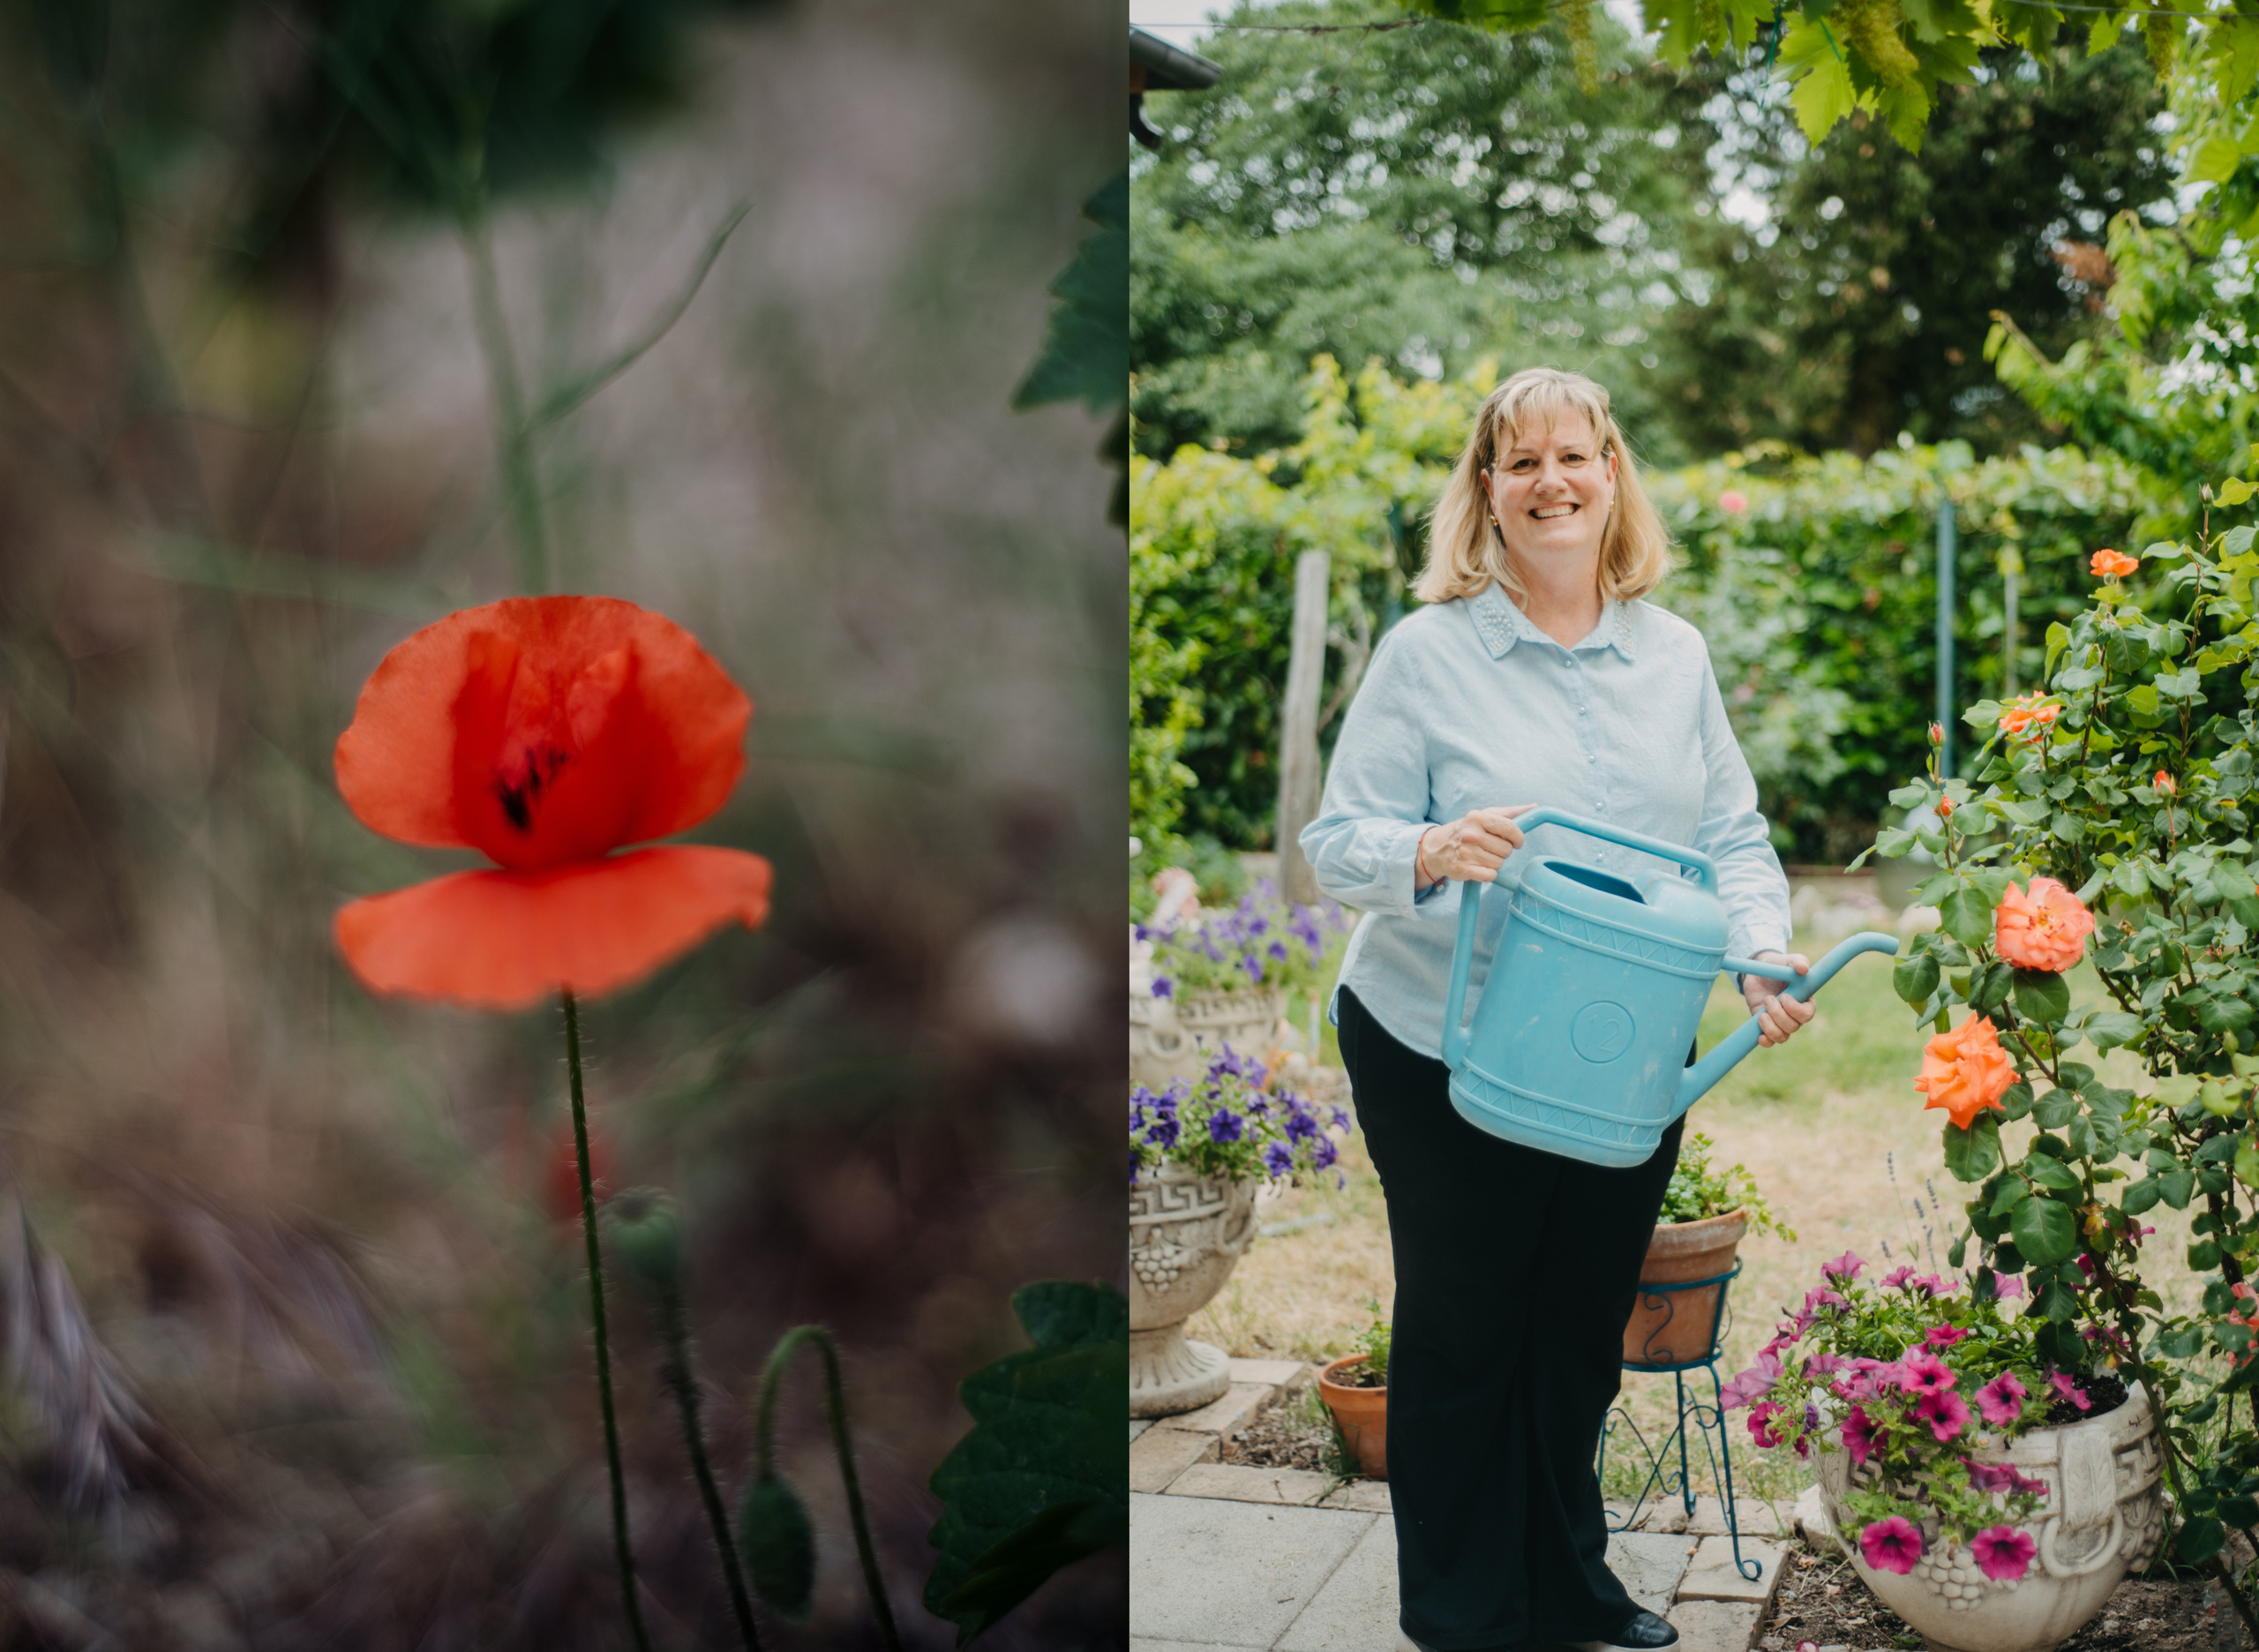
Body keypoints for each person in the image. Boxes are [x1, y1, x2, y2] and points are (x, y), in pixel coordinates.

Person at [1299, 367, 1812, 1652]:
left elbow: (1732, 835)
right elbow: (1337, 841)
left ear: (1611, 472)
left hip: (1617, 1048)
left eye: (1573, 456)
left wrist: (1760, 953)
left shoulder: (1674, 655)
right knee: (1468, 1325)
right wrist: (1428, 849)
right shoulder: (1428, 655)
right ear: (1486, 489)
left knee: (1579, 1321)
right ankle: (1466, 1611)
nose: (1551, 483)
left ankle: (1569, 1583)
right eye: (1520, 462)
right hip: (1440, 1040)